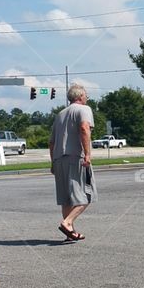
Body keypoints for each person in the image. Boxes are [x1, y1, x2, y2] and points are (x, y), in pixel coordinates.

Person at [49, 83, 97, 241]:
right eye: (86, 95)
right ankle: (68, 222)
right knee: (87, 195)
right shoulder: (84, 109)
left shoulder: (60, 114)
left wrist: (52, 163)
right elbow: (84, 128)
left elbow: (52, 142)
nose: (87, 97)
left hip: (58, 159)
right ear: (80, 97)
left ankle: (70, 233)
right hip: (76, 157)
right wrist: (87, 155)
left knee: (66, 198)